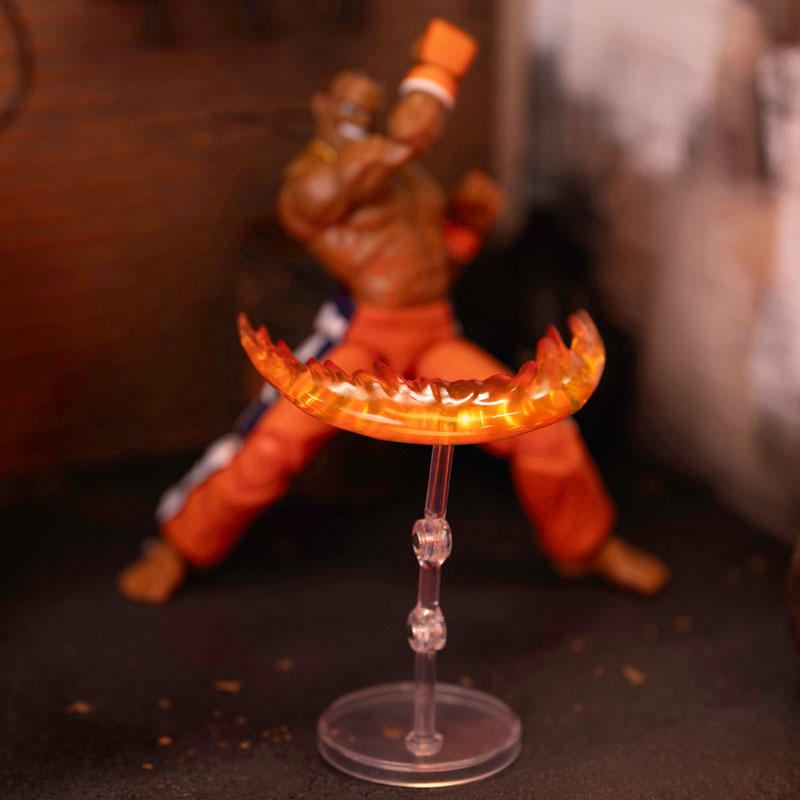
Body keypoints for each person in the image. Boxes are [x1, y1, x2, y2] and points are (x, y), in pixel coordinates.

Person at [119, 19, 669, 605]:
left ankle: (583, 546)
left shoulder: (408, 179)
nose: (361, 120)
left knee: (540, 422)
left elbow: (431, 265)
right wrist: (426, 99)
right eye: (349, 109)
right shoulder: (314, 179)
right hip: (363, 335)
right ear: (322, 108)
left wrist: (465, 224)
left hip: (432, 331)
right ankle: (182, 544)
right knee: (273, 439)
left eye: (370, 111)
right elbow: (334, 193)